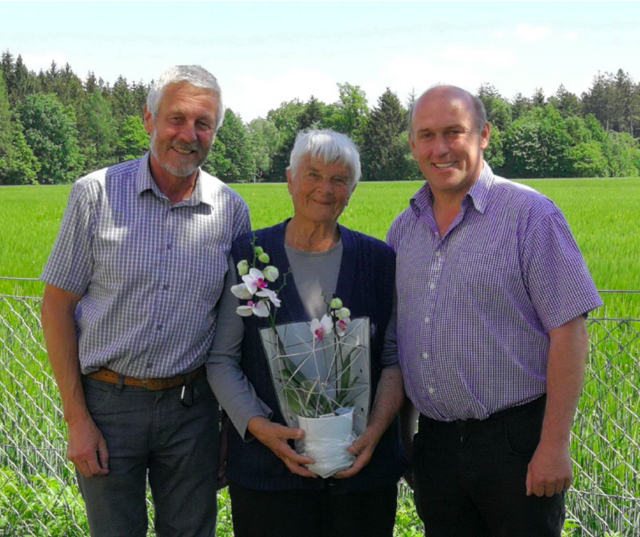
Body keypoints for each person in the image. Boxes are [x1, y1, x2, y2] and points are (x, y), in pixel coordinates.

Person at [40, 65, 250, 537]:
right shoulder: (95, 195)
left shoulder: (231, 211)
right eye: (176, 119)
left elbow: (234, 328)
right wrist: (77, 421)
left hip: (192, 410)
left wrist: (227, 426)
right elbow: (55, 308)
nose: (188, 135)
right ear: (148, 119)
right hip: (107, 408)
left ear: (215, 130)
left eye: (203, 124)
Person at [387, 85, 603, 537]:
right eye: (426, 135)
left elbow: (569, 333)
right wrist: (407, 444)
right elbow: (399, 344)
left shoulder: (530, 216)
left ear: (483, 135)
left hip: (517, 446)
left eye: (454, 132)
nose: (440, 148)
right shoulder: (403, 230)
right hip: (437, 446)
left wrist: (553, 446)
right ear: (412, 145)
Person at [207, 129, 407, 537]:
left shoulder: (380, 261)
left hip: (361, 479)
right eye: (312, 174)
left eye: (338, 179)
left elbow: (393, 358)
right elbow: (222, 360)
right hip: (269, 478)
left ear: (352, 189)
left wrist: (374, 434)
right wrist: (260, 428)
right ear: (290, 179)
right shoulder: (249, 256)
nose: (325, 189)